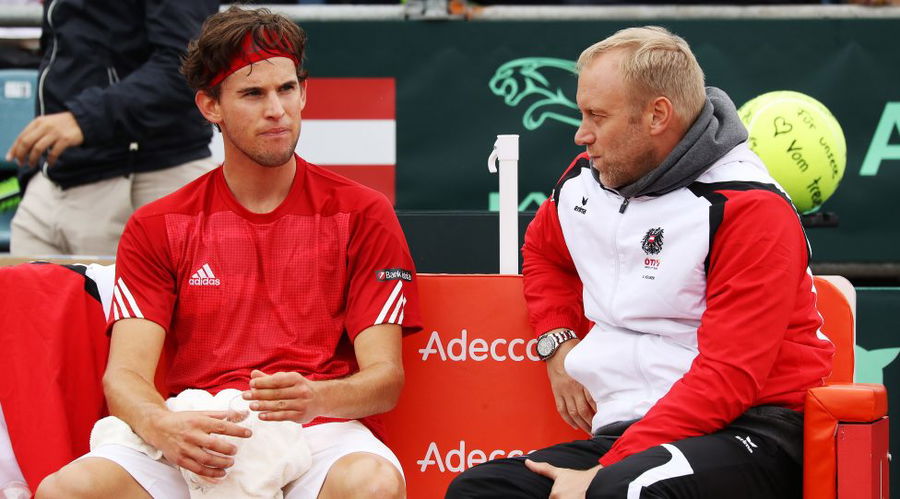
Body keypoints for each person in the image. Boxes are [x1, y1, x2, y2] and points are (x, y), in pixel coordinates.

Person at [35, 6, 420, 499]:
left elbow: (385, 380)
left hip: (318, 425)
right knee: (67, 490)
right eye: (253, 94)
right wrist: (161, 425)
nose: (277, 109)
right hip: (197, 422)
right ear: (210, 106)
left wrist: (317, 396)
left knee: (373, 485)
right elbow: (125, 376)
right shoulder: (158, 223)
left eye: (287, 89)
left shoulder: (363, 212)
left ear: (304, 92)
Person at [447, 26, 833, 498]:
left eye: (597, 116)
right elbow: (544, 252)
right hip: (629, 430)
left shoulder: (749, 208)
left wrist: (604, 472)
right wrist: (557, 342)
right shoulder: (588, 177)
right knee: (480, 490)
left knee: (621, 491)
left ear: (657, 115)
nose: (581, 134)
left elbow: (728, 378)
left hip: (751, 431)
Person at [5, 0, 219, 257]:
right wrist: (35, 175)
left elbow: (188, 67)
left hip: (142, 180)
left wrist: (83, 119)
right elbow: (63, 52)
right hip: (52, 186)